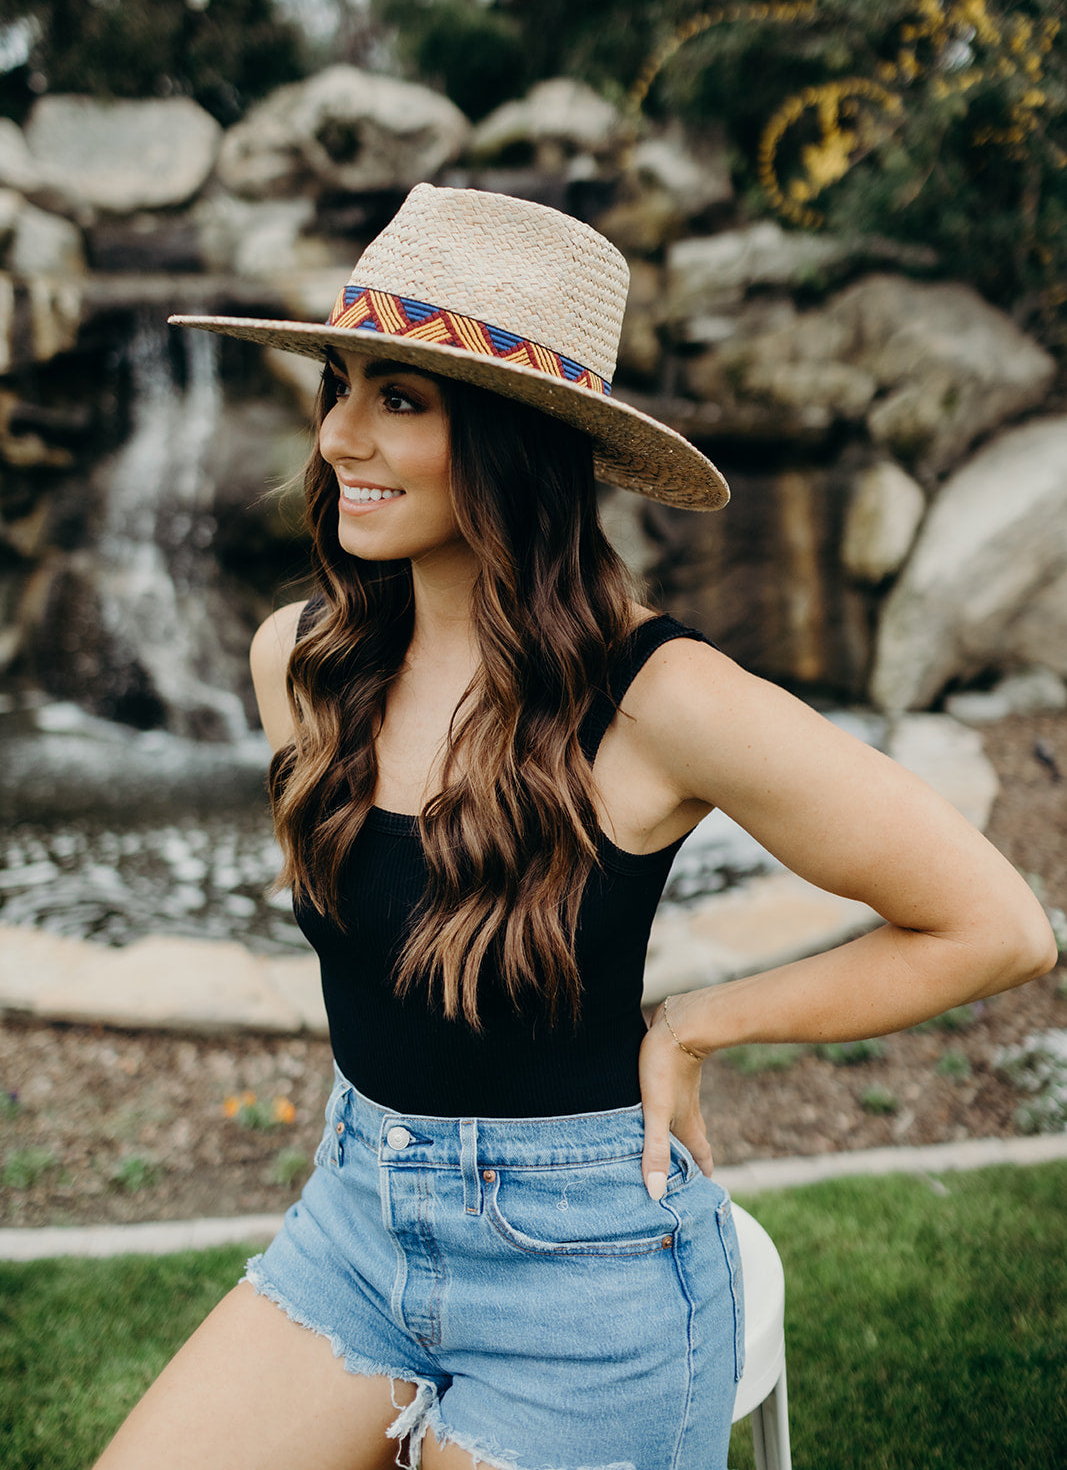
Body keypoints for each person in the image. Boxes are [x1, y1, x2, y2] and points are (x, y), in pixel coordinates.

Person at [95, 184, 1055, 1470]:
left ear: (512, 440)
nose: (337, 438)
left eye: (400, 399)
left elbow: (993, 925)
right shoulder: (301, 664)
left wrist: (698, 1022)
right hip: (356, 1228)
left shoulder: (661, 700)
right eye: (338, 386)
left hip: (587, 1276)